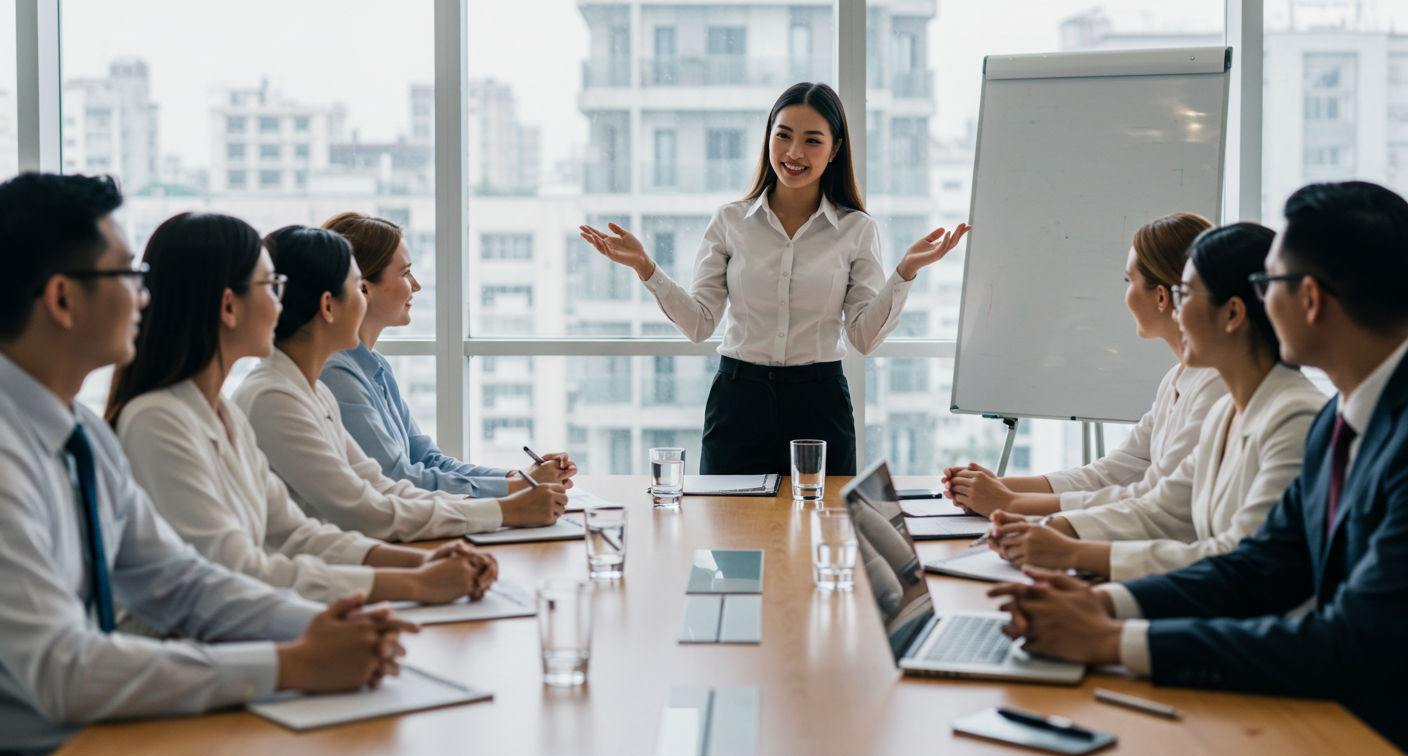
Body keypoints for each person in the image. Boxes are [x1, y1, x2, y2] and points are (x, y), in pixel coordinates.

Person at [0, 173, 414, 756]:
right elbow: (65, 668)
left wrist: (325, 625)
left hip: (109, 731)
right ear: (63, 299)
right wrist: (291, 662)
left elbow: (181, 580)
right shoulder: (14, 453)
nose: (144, 296)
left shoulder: (83, 436)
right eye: (126, 276)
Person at [989, 181, 1408, 751]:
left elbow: (1352, 643)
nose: (1261, 300)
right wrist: (1101, 604)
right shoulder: (1341, 416)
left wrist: (1114, 641)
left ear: (1309, 300)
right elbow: (1259, 568)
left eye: (1269, 283)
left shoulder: (1352, 425)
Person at [108, 212, 498, 606]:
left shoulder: (223, 413)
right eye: (271, 286)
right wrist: (415, 583)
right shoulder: (160, 420)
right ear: (229, 307)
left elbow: (296, 534)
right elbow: (237, 571)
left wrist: (422, 563)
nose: (283, 304)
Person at [579, 82, 969, 476]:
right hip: (737, 402)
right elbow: (700, 324)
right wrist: (647, 268)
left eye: (812, 141)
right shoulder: (730, 221)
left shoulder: (857, 230)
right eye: (782, 135)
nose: (794, 152)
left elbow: (864, 337)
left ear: (834, 149)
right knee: (730, 531)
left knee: (819, 531)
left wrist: (905, 273)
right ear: (768, 137)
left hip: (819, 403)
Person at [984, 223, 1327, 580]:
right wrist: (1054, 527)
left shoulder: (1294, 417)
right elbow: (1160, 507)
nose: (1177, 313)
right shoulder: (1227, 411)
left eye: (1185, 296)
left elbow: (1240, 562)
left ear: (1232, 314)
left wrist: (1071, 551)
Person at [233, 226, 565, 541]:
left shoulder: (315, 390)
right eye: (356, 287)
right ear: (328, 304)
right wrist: (505, 508)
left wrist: (509, 496)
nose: (362, 300)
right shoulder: (277, 396)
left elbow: (384, 488)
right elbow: (367, 507)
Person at [944, 213, 1226, 518]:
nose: (1126, 294)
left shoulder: (1217, 384)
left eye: (1128, 280)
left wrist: (1008, 502)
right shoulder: (1176, 378)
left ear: (1161, 297)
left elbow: (1157, 498)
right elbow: (1105, 475)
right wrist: (996, 487)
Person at [319, 212, 576, 497]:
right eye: (405, 273)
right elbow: (396, 479)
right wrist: (516, 487)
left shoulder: (375, 367)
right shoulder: (336, 374)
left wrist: (521, 477)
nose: (415, 285)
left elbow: (429, 461)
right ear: (363, 288)